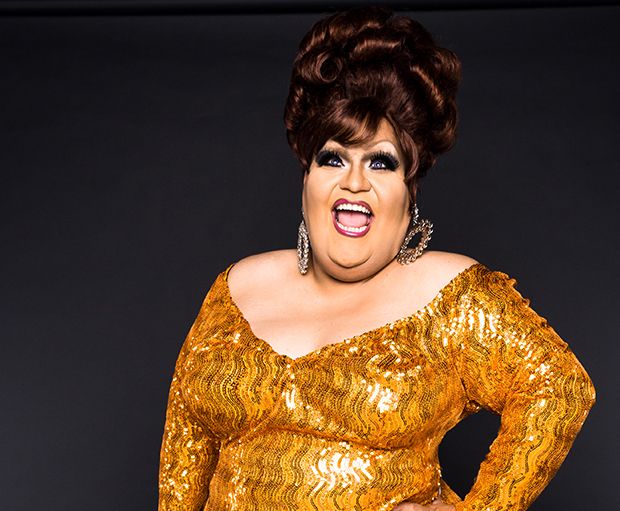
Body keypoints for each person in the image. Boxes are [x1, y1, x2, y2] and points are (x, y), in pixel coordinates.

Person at [158, 7, 595, 511]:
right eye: (333, 158)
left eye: (381, 163)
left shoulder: (448, 293)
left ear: (409, 193)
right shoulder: (238, 286)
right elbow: (184, 450)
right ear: (307, 179)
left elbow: (559, 387)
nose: (354, 182)